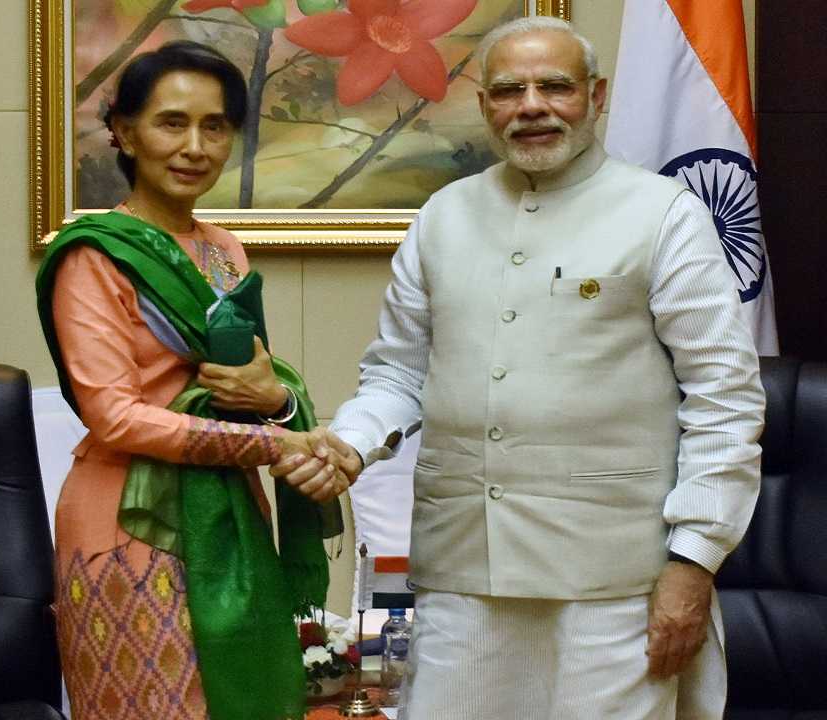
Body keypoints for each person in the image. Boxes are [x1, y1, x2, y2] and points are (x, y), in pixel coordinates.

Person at [272, 16, 764, 720]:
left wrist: (693, 563)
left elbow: (725, 399)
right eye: (508, 90)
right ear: (484, 108)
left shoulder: (666, 216)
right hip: (464, 576)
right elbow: (397, 373)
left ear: (595, 98)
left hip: (613, 583)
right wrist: (349, 443)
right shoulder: (443, 217)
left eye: (554, 86)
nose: (531, 105)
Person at [35, 41, 347, 720]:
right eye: (171, 122)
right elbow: (114, 417)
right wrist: (276, 449)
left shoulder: (223, 248)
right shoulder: (93, 256)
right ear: (123, 131)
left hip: (226, 508)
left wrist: (281, 405)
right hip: (128, 514)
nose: (195, 146)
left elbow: (250, 387)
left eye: (215, 126)